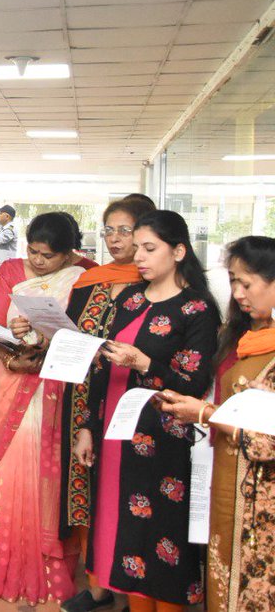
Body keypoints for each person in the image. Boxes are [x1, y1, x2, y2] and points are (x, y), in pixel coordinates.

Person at [72, 210, 219, 612]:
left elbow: (192, 385)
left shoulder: (197, 309)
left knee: (161, 538)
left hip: (163, 441)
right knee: (126, 537)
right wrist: (87, 427)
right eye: (137, 247)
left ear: (178, 251)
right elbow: (102, 368)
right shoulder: (131, 299)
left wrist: (144, 363)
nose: (138, 256)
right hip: (115, 433)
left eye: (149, 248)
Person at [157, 235, 275, 612]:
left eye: (247, 283)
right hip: (226, 473)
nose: (238, 294)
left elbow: (266, 439)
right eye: (233, 281)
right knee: (222, 573)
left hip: (263, 497)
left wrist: (205, 414)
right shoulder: (240, 336)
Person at [0, 212, 87, 604]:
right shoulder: (11, 270)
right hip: (11, 375)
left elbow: (86, 333)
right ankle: (6, 564)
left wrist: (47, 341)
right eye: (33, 251)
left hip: (56, 384)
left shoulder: (84, 275)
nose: (38, 261)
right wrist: (13, 350)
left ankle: (48, 573)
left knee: (49, 472)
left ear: (69, 254)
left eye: (48, 255)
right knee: (9, 466)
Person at [57, 196, 154, 612]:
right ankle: (98, 585)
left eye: (125, 230)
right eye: (109, 230)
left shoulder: (154, 283)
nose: (115, 239)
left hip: (128, 401)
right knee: (83, 488)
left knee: (127, 491)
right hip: (81, 397)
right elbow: (69, 330)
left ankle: (132, 587)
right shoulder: (89, 281)